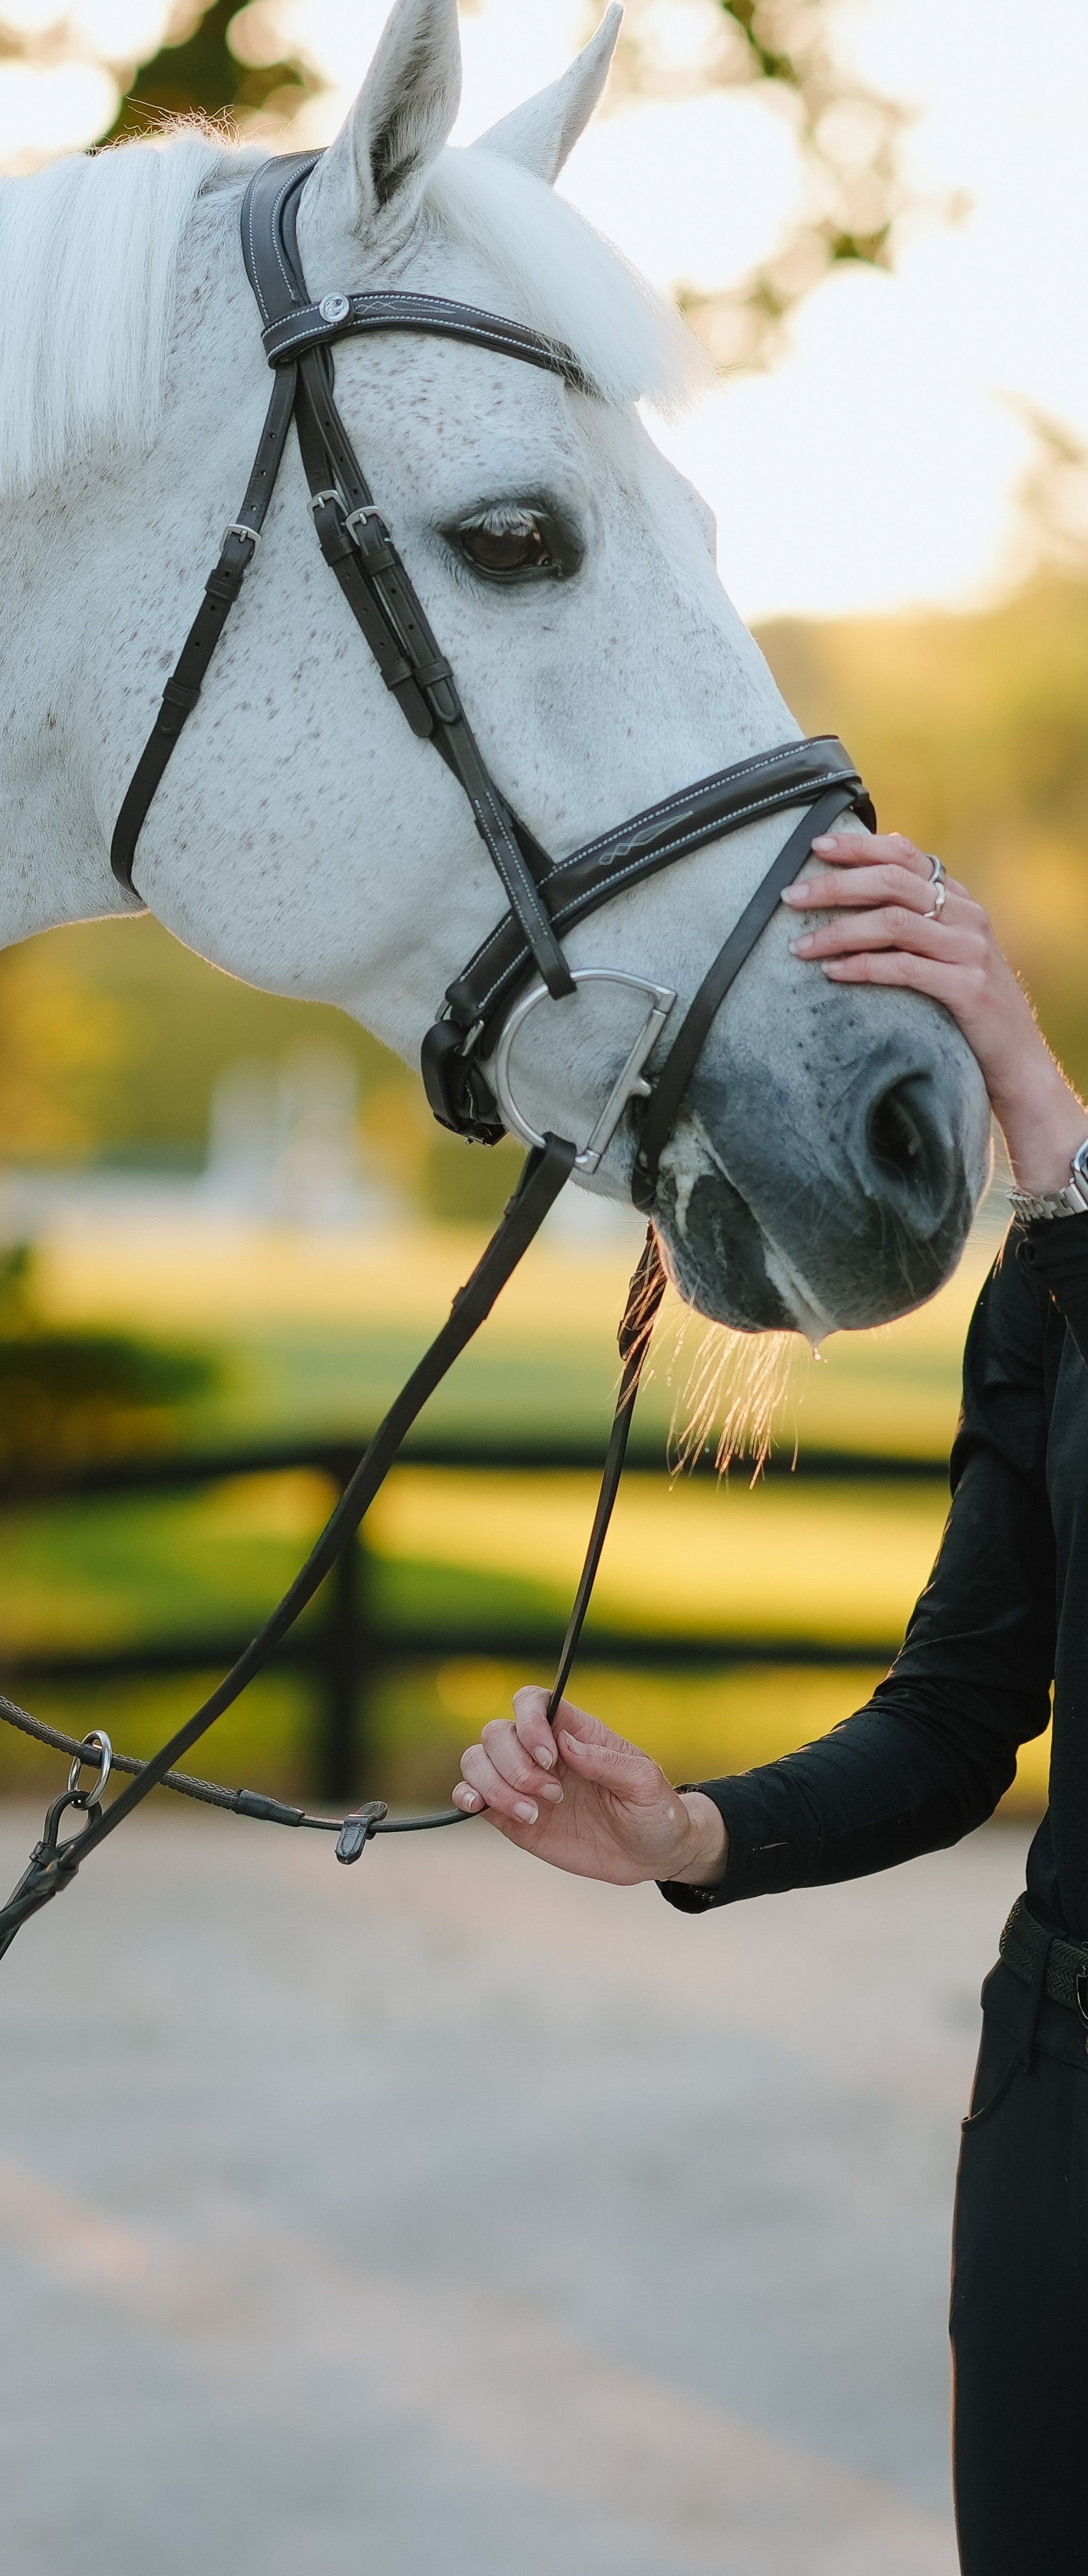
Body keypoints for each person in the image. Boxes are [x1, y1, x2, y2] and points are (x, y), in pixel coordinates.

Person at [457, 821, 1088, 2574]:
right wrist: (692, 1828)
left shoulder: (1065, 1218)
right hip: (1060, 2107)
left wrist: (1040, 1122)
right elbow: (959, 1715)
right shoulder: (1054, 1271)